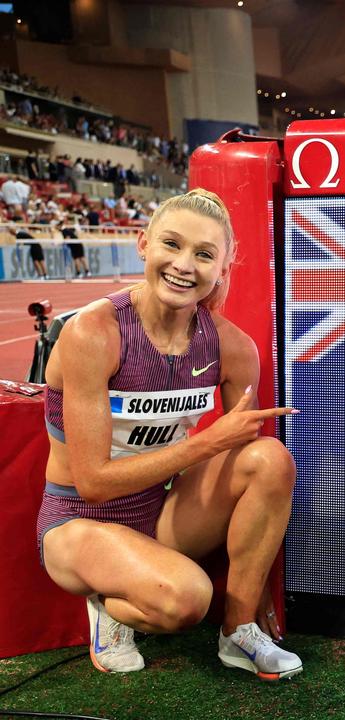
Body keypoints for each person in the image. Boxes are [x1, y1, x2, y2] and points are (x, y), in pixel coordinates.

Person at [36, 189, 303, 680]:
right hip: (78, 521)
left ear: (222, 268)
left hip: (157, 511)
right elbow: (93, 480)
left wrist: (260, 586)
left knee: (271, 458)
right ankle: (111, 609)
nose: (184, 265)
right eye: (171, 245)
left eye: (204, 254)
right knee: (186, 601)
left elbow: (249, 472)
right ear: (143, 244)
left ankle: (240, 631)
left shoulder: (233, 347)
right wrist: (205, 443)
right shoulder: (93, 333)